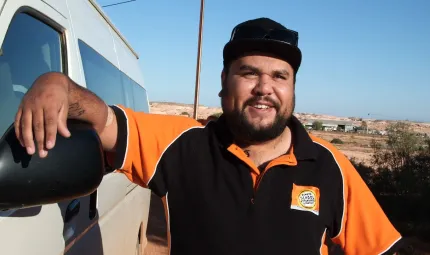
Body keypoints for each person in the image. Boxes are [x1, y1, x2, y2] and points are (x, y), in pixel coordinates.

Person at [14, 17, 403, 255]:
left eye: (280, 76)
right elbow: (104, 123)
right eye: (249, 73)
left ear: (292, 89)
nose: (264, 87)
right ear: (225, 82)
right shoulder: (183, 144)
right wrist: (56, 83)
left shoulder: (331, 167)